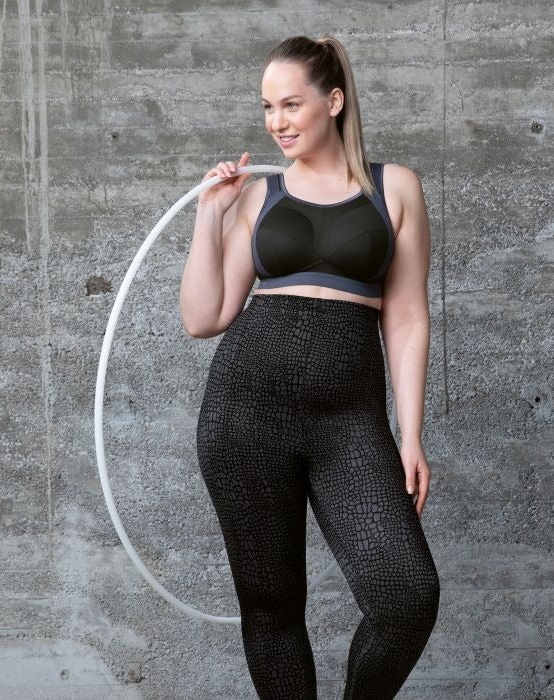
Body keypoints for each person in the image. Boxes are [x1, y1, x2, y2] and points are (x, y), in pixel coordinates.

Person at [180, 34, 440, 700]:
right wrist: (209, 218)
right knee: (272, 611)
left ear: (334, 100)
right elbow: (203, 317)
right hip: (244, 416)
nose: (277, 122)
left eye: (291, 104)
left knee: (406, 596)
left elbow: (407, 318)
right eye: (268, 107)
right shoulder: (257, 196)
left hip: (349, 424)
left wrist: (410, 435)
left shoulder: (395, 187)